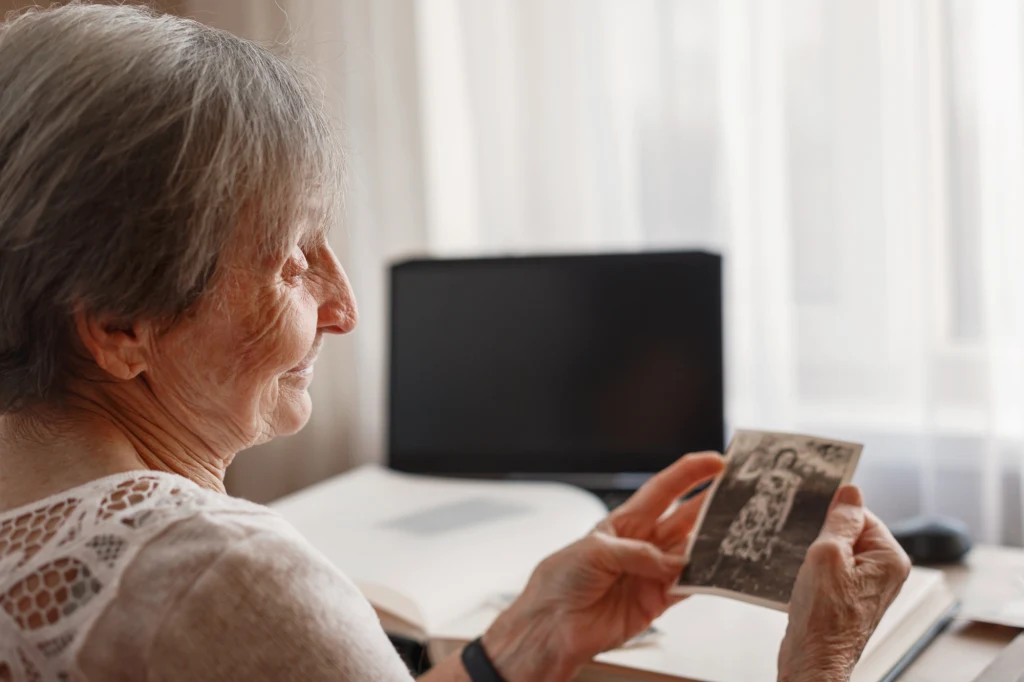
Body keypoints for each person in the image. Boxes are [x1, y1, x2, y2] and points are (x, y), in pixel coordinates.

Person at [0, 4, 911, 682]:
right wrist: (821, 663)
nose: (345, 309)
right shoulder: (228, 575)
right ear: (119, 327)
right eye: (293, 261)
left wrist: (521, 641)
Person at [707, 448, 802, 584]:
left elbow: (788, 501)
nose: (786, 461)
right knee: (736, 535)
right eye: (784, 457)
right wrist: (751, 460)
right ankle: (715, 572)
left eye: (790, 459)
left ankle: (737, 576)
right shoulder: (765, 471)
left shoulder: (793, 478)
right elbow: (741, 476)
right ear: (779, 456)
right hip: (753, 507)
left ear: (792, 462)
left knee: (756, 541)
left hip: (771, 513)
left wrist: (781, 521)